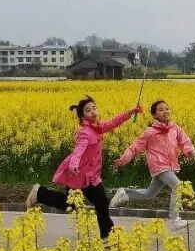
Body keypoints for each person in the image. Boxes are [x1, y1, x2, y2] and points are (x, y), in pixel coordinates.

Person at [26, 96, 141, 240]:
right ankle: (40, 194)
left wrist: (130, 113)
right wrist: (73, 165)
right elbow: (78, 150)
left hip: (92, 176)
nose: (93, 111)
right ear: (82, 117)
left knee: (102, 202)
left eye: (94, 108)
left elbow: (112, 123)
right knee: (70, 203)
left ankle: (107, 235)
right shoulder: (85, 132)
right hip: (78, 175)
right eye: (88, 110)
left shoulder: (98, 128)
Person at [110, 100, 195, 229]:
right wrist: (123, 159)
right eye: (161, 109)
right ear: (154, 115)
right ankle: (174, 219)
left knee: (150, 194)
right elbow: (135, 147)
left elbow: (185, 140)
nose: (165, 111)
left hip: (169, 165)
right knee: (178, 186)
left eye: (167, 108)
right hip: (159, 165)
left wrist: (189, 150)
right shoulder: (150, 132)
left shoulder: (174, 128)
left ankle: (124, 193)